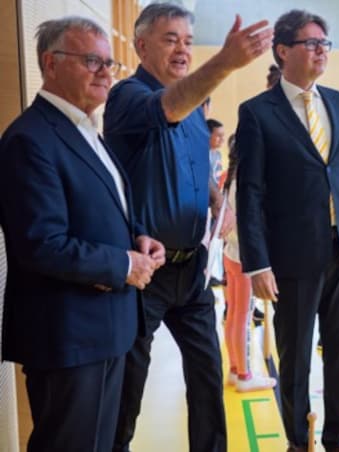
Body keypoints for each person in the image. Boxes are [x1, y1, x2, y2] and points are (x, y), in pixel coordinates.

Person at [102, 3, 274, 451]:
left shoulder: (196, 108)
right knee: (128, 390)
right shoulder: (128, 97)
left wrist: (217, 201)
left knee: (206, 380)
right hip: (146, 274)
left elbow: (199, 168)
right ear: (140, 45)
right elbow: (168, 108)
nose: (182, 49)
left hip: (193, 271)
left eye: (188, 41)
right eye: (170, 39)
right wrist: (225, 62)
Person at [0, 17, 165, 452]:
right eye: (92, 60)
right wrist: (126, 265)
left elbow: (102, 210)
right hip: (68, 337)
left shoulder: (88, 130)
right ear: (50, 64)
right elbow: (41, 244)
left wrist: (139, 240)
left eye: (109, 63)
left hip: (107, 327)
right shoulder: (30, 140)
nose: (106, 72)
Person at [235, 10, 339, 451]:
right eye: (312, 43)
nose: (322, 51)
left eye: (326, 44)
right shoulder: (258, 113)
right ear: (283, 51)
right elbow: (251, 196)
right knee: (296, 359)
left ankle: (338, 439)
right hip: (292, 260)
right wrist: (257, 262)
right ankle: (299, 441)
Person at [221, 136, 277, 392]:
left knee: (234, 313)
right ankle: (244, 375)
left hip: (231, 253)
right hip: (244, 258)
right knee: (242, 316)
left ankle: (235, 368)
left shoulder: (231, 177)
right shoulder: (245, 181)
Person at [207, 118, 225, 185]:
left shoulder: (218, 154)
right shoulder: (203, 155)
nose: (222, 139)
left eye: (223, 136)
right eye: (219, 135)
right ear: (208, 135)